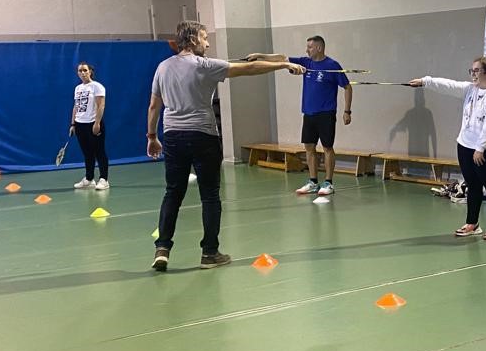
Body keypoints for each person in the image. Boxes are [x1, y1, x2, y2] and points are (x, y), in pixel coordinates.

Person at [147, 21, 305, 272]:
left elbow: (154, 106)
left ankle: (162, 248)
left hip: (173, 136)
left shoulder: (162, 67)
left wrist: (151, 136)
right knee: (210, 196)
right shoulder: (206, 66)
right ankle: (210, 253)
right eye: (204, 38)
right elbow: (250, 68)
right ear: (192, 40)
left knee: (173, 193)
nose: (208, 43)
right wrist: (284, 64)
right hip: (203, 135)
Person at [409, 56, 486, 240]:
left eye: (477, 71)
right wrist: (425, 82)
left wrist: (480, 149)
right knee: (473, 185)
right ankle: (473, 224)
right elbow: (449, 85)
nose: (473, 75)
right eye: (471, 71)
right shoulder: (470, 89)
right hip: (465, 145)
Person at [285, 36, 353, 196]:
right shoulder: (306, 63)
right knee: (309, 147)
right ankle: (313, 182)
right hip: (309, 113)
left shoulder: (332, 66)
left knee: (327, 147)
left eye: (309, 47)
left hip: (326, 114)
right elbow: (283, 60)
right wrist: (261, 57)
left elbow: (348, 87)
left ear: (319, 48)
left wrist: (347, 111)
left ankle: (328, 183)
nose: (306, 50)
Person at [70, 62, 109, 190]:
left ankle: (104, 180)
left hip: (93, 124)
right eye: (80, 70)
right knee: (87, 153)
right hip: (80, 125)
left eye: (85, 70)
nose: (82, 73)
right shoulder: (78, 88)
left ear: (90, 72)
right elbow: (76, 106)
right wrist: (73, 124)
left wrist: (97, 123)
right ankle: (89, 179)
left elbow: (101, 105)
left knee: (99, 152)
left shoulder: (97, 87)